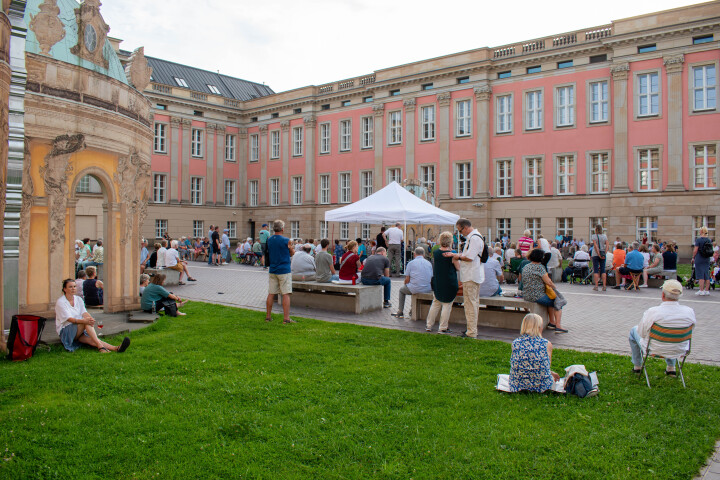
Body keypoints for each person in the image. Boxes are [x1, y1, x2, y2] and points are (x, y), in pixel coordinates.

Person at [628, 280, 696, 375]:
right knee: (672, 335)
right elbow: (690, 331)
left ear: (663, 295)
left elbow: (641, 333)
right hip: (679, 349)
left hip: (654, 349)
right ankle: (671, 368)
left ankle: (637, 366)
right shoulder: (689, 312)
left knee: (633, 331)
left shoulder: (653, 312)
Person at [55, 279, 130, 353]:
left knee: (92, 339)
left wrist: (90, 319)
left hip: (79, 329)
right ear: (64, 289)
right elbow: (69, 319)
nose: (73, 288)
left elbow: (84, 312)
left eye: (74, 286)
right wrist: (85, 321)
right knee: (86, 322)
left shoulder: (78, 299)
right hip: (66, 331)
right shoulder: (61, 302)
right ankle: (101, 347)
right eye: (70, 287)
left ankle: (116, 348)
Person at [444, 218, 485, 339]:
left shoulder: (474, 238)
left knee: (470, 304)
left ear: (465, 227)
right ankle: (471, 329)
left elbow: (470, 257)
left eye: (460, 230)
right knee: (472, 303)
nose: (460, 233)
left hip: (471, 275)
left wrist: (457, 257)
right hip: (472, 275)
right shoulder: (473, 237)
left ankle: (471, 331)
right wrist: (456, 255)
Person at [508, 313, 560, 392]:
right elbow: (544, 366)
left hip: (517, 386)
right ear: (539, 327)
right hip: (543, 387)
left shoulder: (516, 343)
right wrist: (551, 373)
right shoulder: (546, 344)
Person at [521, 249, 567, 333]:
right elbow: (548, 282)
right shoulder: (540, 268)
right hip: (537, 296)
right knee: (558, 301)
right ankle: (558, 325)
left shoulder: (526, 266)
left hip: (526, 294)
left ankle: (552, 322)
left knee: (550, 302)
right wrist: (554, 287)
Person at [425, 231, 460, 333]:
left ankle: (429, 325)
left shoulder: (436, 253)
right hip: (449, 281)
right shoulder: (452, 254)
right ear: (450, 241)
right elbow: (458, 268)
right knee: (447, 304)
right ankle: (443, 327)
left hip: (438, 280)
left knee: (435, 303)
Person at [265, 220, 295, 324]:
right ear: (282, 229)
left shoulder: (269, 240)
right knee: (286, 293)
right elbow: (292, 253)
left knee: (271, 293)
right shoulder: (286, 240)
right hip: (284, 270)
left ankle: (268, 316)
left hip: (273, 269)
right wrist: (291, 249)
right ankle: (286, 318)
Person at [392, 247, 432, 318]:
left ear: (414, 254)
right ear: (424, 254)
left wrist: (405, 284)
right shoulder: (429, 263)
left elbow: (407, 279)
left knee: (402, 290)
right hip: (427, 288)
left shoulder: (411, 263)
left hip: (415, 288)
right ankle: (412, 309)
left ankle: (400, 311)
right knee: (413, 286)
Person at [692, 226, 713, 296]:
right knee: (706, 274)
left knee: (700, 274)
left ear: (701, 232)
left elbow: (695, 250)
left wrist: (693, 257)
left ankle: (701, 290)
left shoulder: (699, 240)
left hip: (699, 258)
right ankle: (707, 290)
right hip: (706, 258)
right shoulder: (709, 240)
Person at [591, 224, 610, 291]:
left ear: (596, 229)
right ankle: (604, 286)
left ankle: (596, 286)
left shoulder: (594, 236)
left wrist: (598, 254)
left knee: (596, 270)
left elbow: (595, 246)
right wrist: (605, 253)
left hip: (595, 254)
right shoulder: (604, 236)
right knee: (603, 269)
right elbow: (607, 245)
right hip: (603, 253)